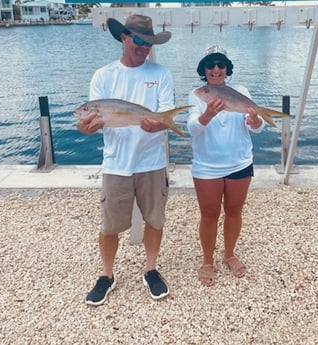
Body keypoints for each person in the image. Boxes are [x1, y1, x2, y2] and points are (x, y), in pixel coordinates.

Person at [77, 15, 174, 305]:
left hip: (152, 162)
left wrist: (160, 124)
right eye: (140, 41)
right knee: (108, 226)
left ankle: (151, 269)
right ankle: (106, 275)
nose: (144, 47)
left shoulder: (161, 74)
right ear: (124, 38)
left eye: (149, 42)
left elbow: (166, 116)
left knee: (154, 220)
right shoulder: (103, 76)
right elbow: (89, 122)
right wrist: (86, 126)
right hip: (116, 164)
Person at [187, 46, 266, 287]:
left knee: (234, 211)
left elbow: (257, 125)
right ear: (204, 70)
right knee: (209, 215)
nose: (216, 69)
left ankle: (229, 254)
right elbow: (192, 128)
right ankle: (208, 260)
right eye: (210, 65)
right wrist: (207, 115)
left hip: (239, 162)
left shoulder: (240, 91)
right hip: (207, 166)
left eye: (221, 64)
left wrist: (255, 120)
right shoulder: (198, 94)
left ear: (227, 69)